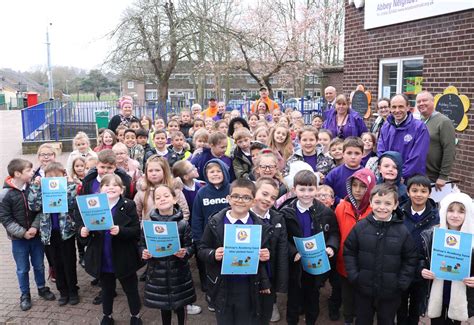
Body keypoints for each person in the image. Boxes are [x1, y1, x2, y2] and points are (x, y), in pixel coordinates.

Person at [197, 179, 273, 324]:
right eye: (236, 196)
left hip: (248, 285)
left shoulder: (259, 226)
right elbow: (201, 249)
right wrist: (213, 254)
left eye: (246, 197)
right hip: (222, 284)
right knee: (225, 320)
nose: (240, 200)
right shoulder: (215, 222)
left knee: (246, 319)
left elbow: (266, 252)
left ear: (253, 201)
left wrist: (266, 255)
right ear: (228, 199)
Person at [344, 183, 418, 325]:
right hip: (363, 288)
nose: (382, 207)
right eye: (377, 202)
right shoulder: (360, 227)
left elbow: (410, 259)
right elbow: (349, 251)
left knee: (386, 321)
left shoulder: (402, 231)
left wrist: (401, 283)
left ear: (395, 205)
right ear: (371, 203)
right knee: (362, 320)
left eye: (388, 203)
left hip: (391, 291)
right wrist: (354, 276)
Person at [78, 174, 142, 325]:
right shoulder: (92, 205)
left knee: (130, 288)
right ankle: (107, 315)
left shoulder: (128, 205)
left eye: (115, 185)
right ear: (100, 190)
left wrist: (121, 230)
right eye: (106, 185)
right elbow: (82, 227)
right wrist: (82, 231)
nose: (111, 187)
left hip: (123, 256)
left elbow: (135, 231)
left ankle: (135, 315)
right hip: (103, 256)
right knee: (106, 289)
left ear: (122, 190)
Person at [280, 170, 340, 325]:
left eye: (310, 189)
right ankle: (292, 320)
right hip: (296, 264)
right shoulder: (286, 212)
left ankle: (311, 321)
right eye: (302, 189)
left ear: (316, 189)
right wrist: (293, 252)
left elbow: (334, 232)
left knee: (313, 296)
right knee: (293, 299)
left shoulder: (325, 211)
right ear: (294, 189)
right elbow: (281, 238)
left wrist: (331, 246)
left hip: (316, 263)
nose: (306, 194)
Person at [0, 158, 56, 311]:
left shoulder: (33, 188)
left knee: (39, 265)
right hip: (19, 240)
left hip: (36, 236)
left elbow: (41, 209)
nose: (33, 172)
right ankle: (25, 294)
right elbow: (5, 218)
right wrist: (23, 233)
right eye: (29, 171)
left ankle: (42, 288)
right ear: (17, 173)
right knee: (22, 268)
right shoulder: (5, 194)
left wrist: (34, 227)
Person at [141, 184, 198, 324]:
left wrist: (185, 252)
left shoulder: (183, 224)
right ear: (154, 203)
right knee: (164, 308)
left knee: (180, 307)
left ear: (174, 199)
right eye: (158, 197)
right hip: (158, 273)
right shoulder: (149, 224)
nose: (162, 199)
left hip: (179, 274)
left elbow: (191, 246)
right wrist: (144, 252)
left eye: (166, 196)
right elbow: (142, 244)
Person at [28, 162, 79, 306]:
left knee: (69, 262)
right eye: (49, 177)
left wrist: (69, 184)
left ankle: (73, 290)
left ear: (63, 175)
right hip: (48, 233)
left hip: (66, 232)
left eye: (57, 176)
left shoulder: (69, 186)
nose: (53, 180)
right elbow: (33, 206)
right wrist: (36, 186)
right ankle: (63, 292)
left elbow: (72, 203)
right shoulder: (42, 189)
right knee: (56, 263)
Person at [420, 192, 474, 324]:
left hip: (461, 292)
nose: (455, 215)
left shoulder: (472, 239)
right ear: (444, 211)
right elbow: (421, 257)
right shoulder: (432, 234)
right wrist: (421, 269)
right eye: (451, 210)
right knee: (436, 321)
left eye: (461, 212)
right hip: (436, 288)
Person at [334, 168, 376, 324]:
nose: (358, 190)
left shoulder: (375, 210)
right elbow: (336, 232)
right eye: (355, 185)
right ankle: (348, 319)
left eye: (363, 186)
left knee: (364, 297)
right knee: (347, 295)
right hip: (344, 261)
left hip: (367, 264)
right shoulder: (341, 207)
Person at [397, 175, 439, 325]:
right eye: (414, 190)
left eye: (423, 191)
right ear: (408, 192)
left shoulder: (437, 217)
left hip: (423, 270)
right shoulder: (399, 213)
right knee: (400, 305)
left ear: (429, 193)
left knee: (417, 305)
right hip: (402, 268)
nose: (419, 194)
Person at [191, 159, 231, 305]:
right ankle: (211, 295)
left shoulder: (231, 190)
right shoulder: (202, 193)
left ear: (225, 172)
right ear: (206, 174)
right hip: (209, 238)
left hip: (229, 236)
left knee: (228, 266)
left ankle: (228, 294)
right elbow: (197, 217)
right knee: (211, 268)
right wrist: (197, 238)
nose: (215, 174)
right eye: (211, 172)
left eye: (218, 171)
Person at [251, 177, 289, 324]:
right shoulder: (244, 217)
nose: (268, 200)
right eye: (264, 194)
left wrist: (281, 281)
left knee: (264, 314)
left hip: (269, 270)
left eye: (273, 197)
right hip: (248, 275)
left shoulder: (278, 218)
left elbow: (282, 250)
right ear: (254, 192)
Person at [377, 94, 430, 180]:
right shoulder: (386, 126)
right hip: (387, 178)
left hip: (409, 179)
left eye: (401, 106)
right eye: (394, 107)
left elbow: (417, 157)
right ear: (390, 108)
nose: (397, 110)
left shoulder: (419, 128)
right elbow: (381, 151)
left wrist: (401, 175)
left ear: (408, 107)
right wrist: (387, 171)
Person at [417, 91, 456, 190]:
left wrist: (443, 176)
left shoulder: (444, 121)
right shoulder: (418, 122)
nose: (421, 103)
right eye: (418, 101)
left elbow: (449, 150)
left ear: (433, 102)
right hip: (418, 174)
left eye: (424, 100)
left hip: (434, 177)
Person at [134, 155, 189, 221]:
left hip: (173, 229)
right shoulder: (142, 192)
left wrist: (179, 226)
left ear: (165, 171)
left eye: (157, 170)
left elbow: (184, 212)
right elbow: (136, 215)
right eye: (150, 171)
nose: (154, 173)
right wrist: (142, 228)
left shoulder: (174, 189)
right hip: (149, 229)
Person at [325, 137, 364, 204]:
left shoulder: (367, 174)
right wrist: (339, 201)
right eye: (349, 153)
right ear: (343, 154)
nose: (353, 157)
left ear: (362, 155)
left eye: (357, 153)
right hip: (338, 210)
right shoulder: (334, 174)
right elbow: (326, 192)